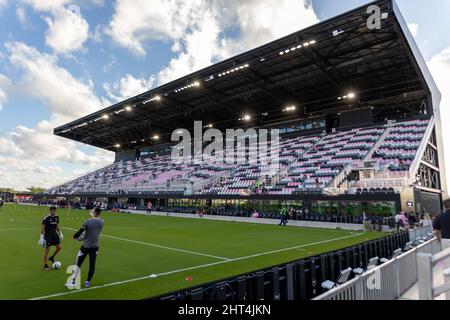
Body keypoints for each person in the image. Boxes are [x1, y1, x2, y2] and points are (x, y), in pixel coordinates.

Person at [70, 207, 104, 288]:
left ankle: (73, 281)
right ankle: (87, 282)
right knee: (92, 265)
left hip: (86, 246)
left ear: (94, 213)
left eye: (92, 211)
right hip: (95, 247)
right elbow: (95, 220)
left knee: (78, 263)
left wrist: (74, 236)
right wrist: (92, 215)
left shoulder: (87, 222)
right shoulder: (102, 222)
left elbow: (80, 232)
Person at [38, 206, 64, 271]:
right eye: (52, 211)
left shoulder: (57, 217)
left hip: (55, 234)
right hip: (48, 235)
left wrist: (60, 232)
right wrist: (42, 237)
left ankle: (52, 257)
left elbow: (57, 225)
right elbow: (43, 228)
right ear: (50, 211)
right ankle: (45, 265)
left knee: (59, 247)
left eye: (54, 211)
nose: (53, 212)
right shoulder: (46, 218)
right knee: (47, 251)